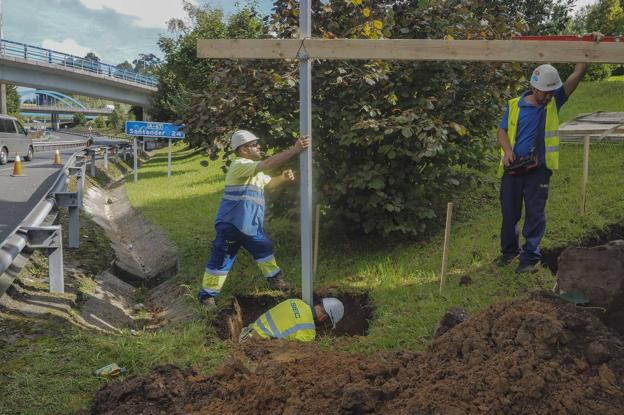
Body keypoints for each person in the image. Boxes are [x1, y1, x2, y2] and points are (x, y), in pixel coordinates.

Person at [496, 32, 604, 273]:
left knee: (535, 215)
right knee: (509, 214)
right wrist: (507, 151)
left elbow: (577, 74)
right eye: (545, 91)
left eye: (551, 91)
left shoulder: (554, 102)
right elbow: (502, 131)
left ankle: (529, 258)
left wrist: (588, 46)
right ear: (534, 87)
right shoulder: (514, 105)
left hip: (539, 171)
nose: (548, 96)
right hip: (513, 169)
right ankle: (509, 253)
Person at [198, 130, 310, 307]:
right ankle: (207, 297)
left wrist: (282, 178)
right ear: (243, 150)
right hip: (231, 224)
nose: (259, 147)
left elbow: (270, 183)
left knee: (264, 249)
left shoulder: (254, 172)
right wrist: (294, 150)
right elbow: (267, 163)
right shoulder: (239, 165)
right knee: (221, 258)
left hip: (251, 226)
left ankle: (275, 280)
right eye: (254, 145)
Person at [238, 297, 345, 343]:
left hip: (246, 334)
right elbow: (296, 355)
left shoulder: (295, 301)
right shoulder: (308, 332)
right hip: (254, 349)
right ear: (324, 318)